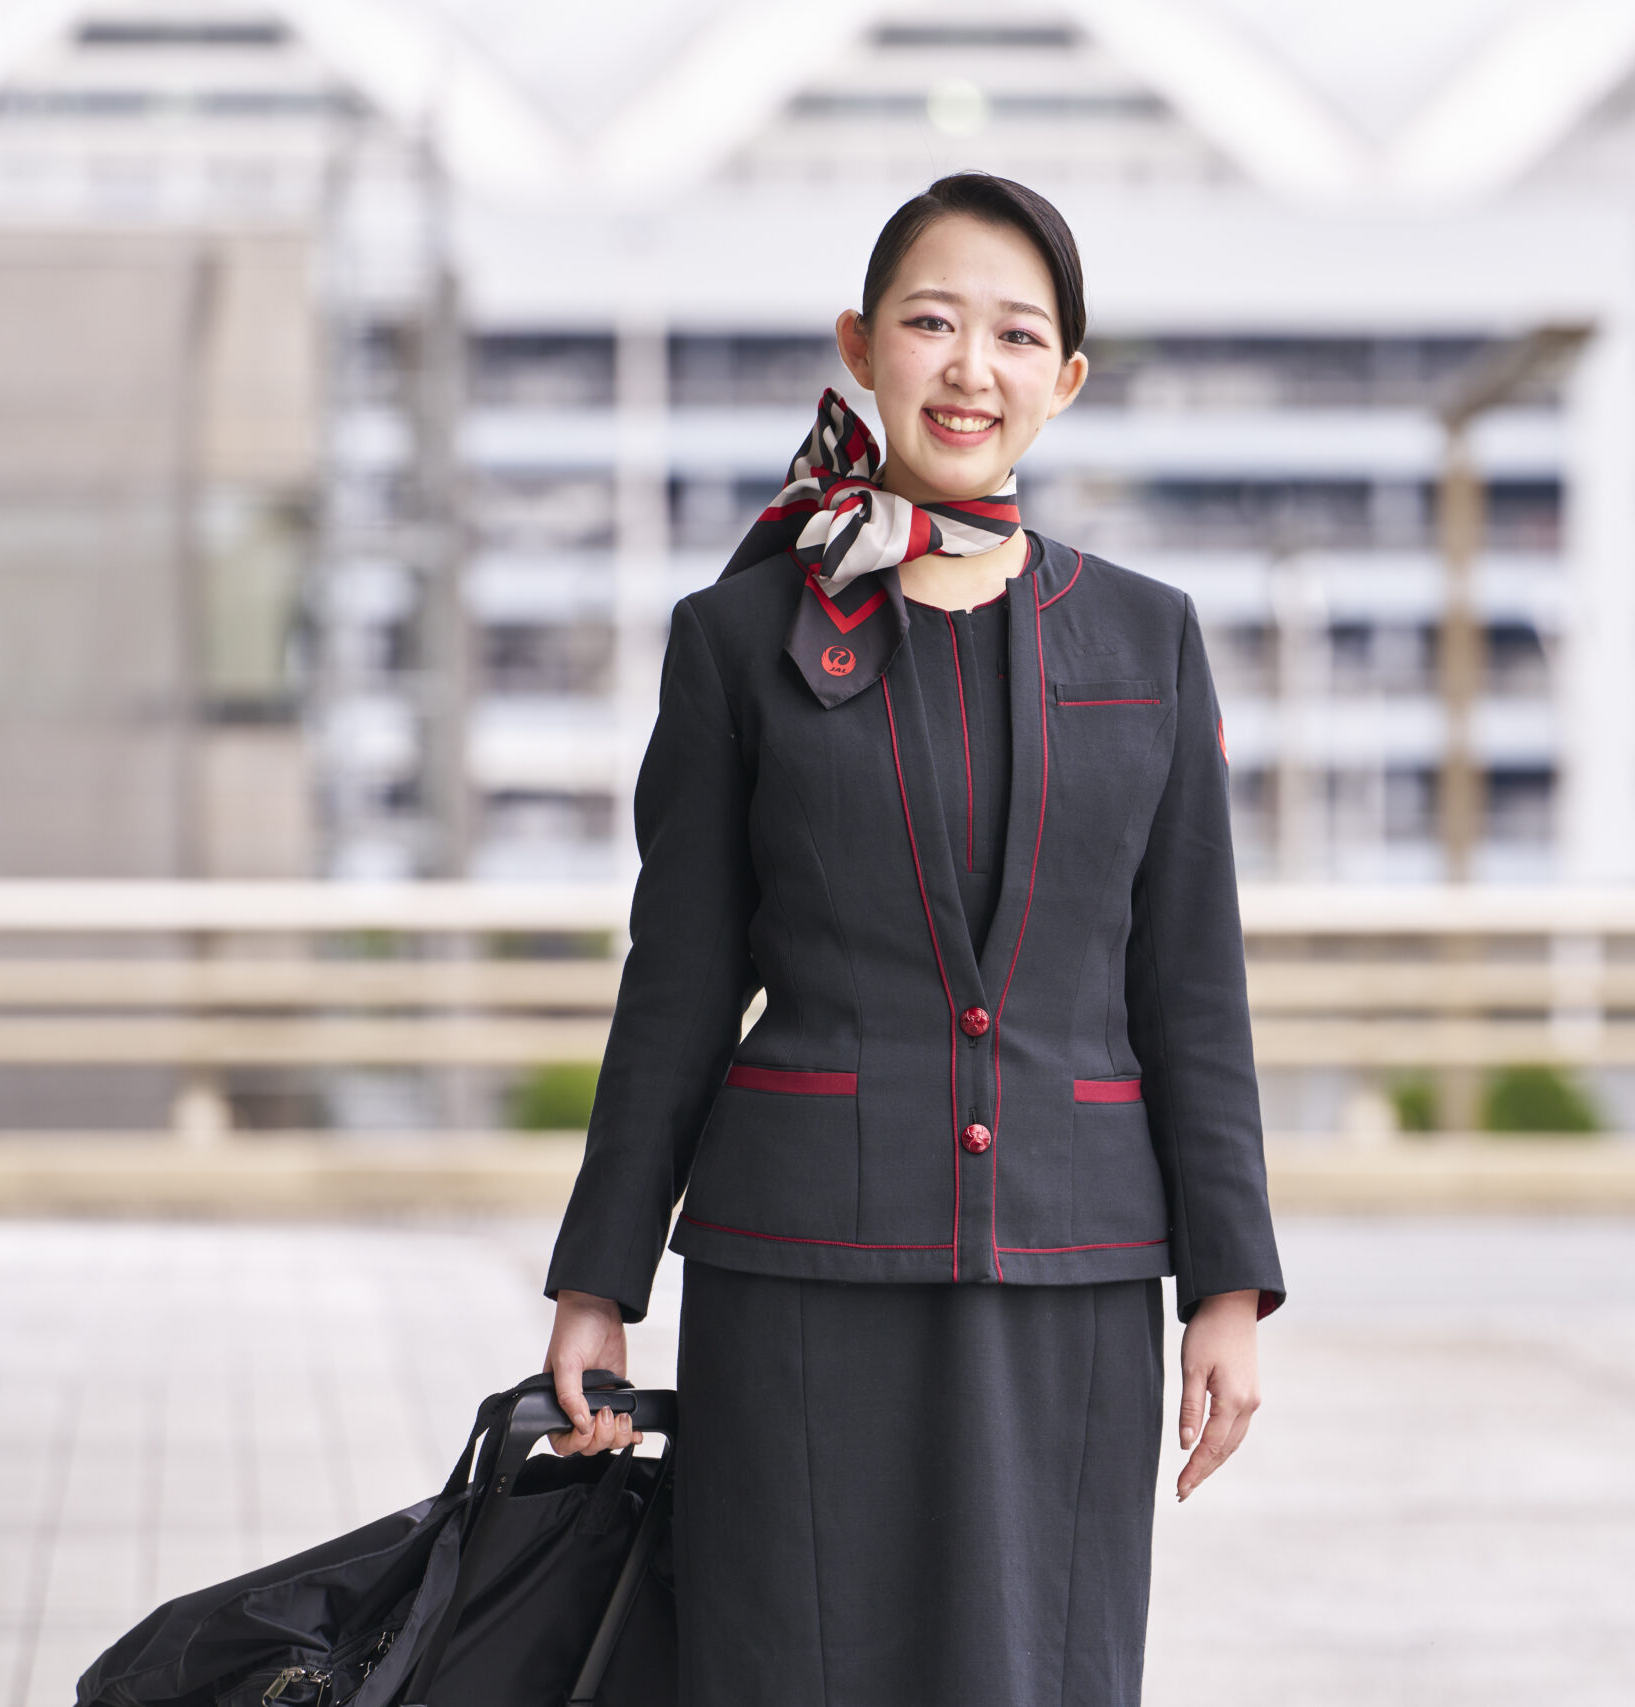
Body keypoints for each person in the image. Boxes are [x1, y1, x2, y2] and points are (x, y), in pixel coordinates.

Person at [539, 172, 1286, 1707]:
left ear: (1065, 380)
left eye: (1017, 335)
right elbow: (676, 984)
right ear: (860, 344)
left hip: (1073, 1275)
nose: (970, 366)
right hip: (803, 1272)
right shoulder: (738, 638)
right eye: (931, 322)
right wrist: (598, 1281)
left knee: (1043, 1672)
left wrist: (1226, 1290)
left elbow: (1192, 992)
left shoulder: (1147, 639)